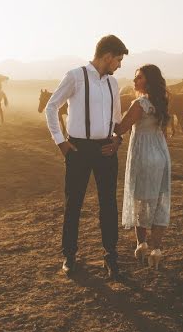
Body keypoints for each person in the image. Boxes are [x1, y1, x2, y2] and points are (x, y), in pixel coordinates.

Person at [45, 35, 128, 279]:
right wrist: (61, 142)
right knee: (74, 204)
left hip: (105, 150)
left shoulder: (113, 84)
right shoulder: (75, 76)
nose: (119, 65)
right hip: (78, 149)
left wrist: (117, 139)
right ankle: (69, 256)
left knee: (108, 204)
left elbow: (117, 118)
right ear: (107, 56)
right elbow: (51, 107)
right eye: (118, 60)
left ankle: (110, 255)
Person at [113, 64, 171, 270]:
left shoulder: (140, 104)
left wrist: (110, 116)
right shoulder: (160, 103)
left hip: (143, 156)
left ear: (148, 81)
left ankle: (141, 244)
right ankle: (156, 250)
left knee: (140, 201)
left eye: (139, 77)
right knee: (159, 201)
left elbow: (121, 128)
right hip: (161, 155)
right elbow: (163, 133)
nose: (135, 81)